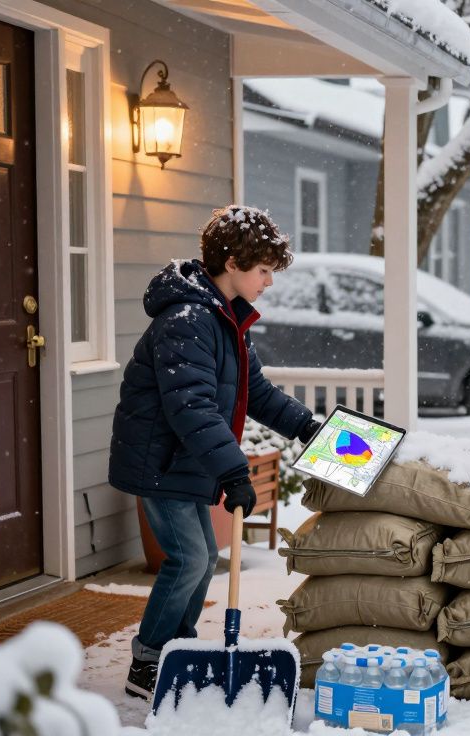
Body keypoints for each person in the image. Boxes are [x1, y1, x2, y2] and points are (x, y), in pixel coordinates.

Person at [108, 205, 322, 700]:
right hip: (161, 461)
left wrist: (305, 427)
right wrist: (234, 472)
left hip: (183, 459)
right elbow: (192, 408)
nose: (269, 281)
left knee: (201, 559)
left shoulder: (225, 318)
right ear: (232, 264)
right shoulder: (187, 320)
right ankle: (148, 661)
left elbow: (256, 391)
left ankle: (176, 651)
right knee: (189, 559)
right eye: (263, 270)